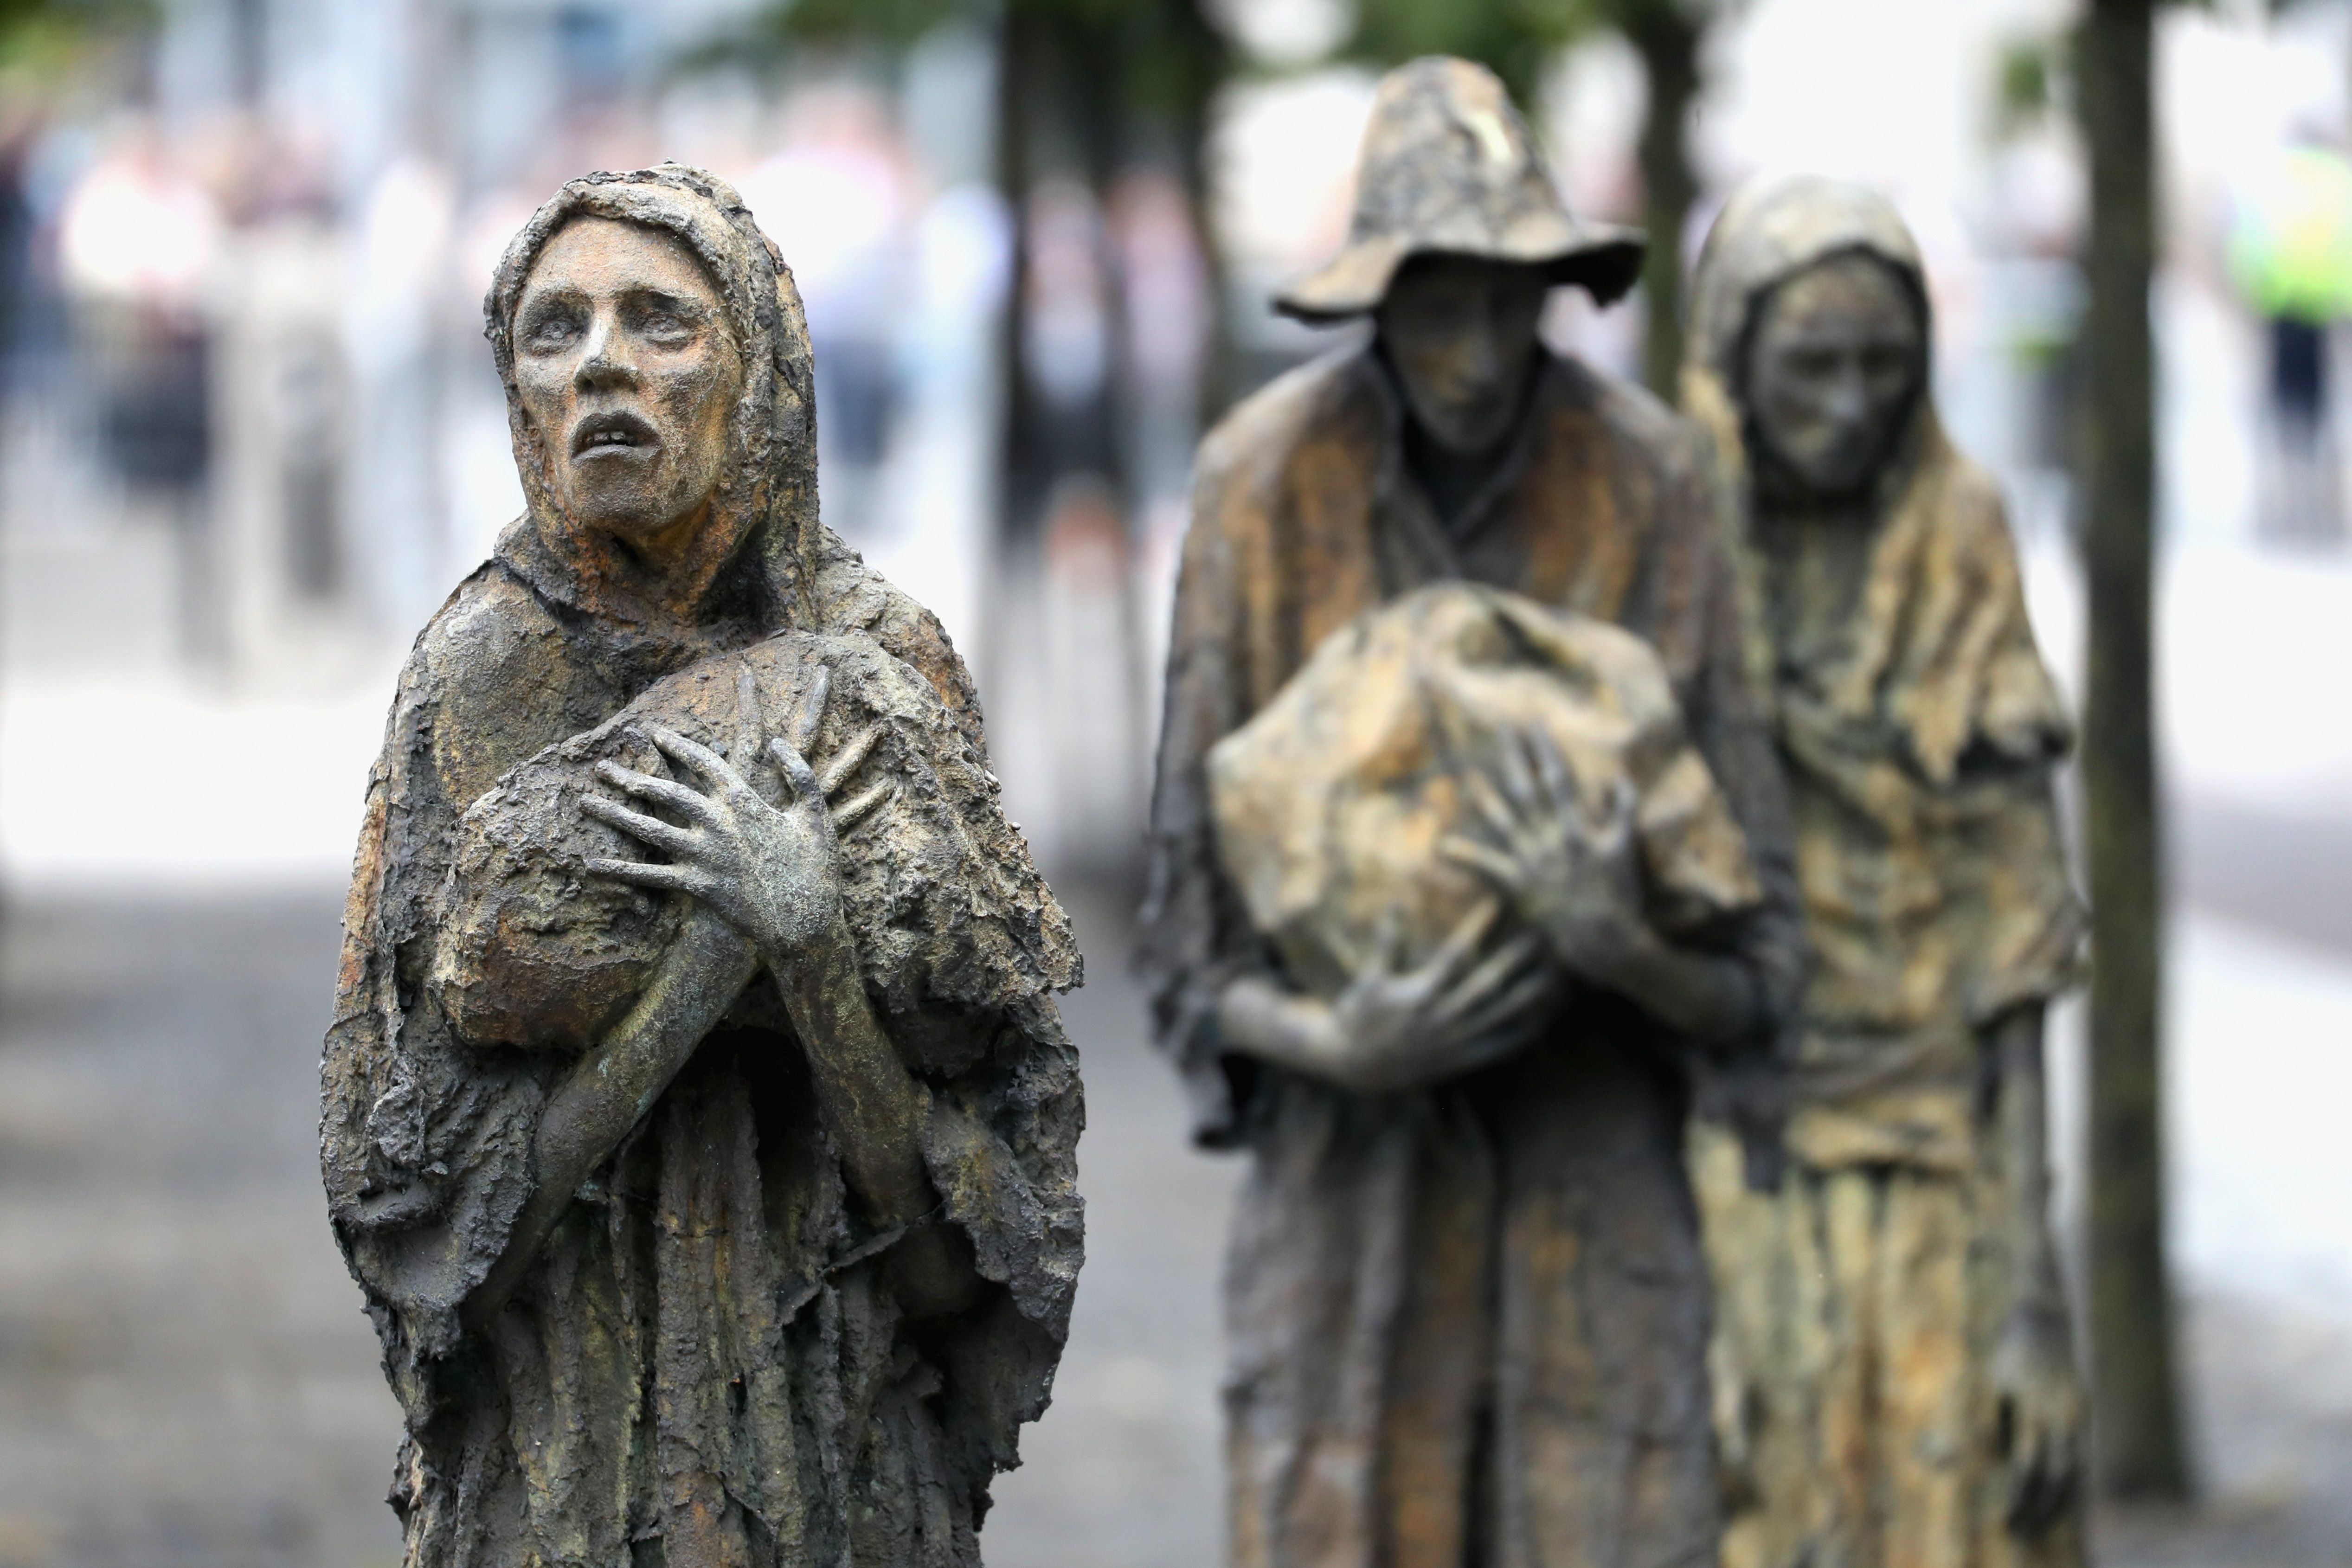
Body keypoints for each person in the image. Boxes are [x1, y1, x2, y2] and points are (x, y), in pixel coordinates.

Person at [321, 166, 1082, 1568]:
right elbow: (440, 1246)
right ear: (513, 390)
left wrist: (816, 962)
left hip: (840, 1445)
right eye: (554, 330)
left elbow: (948, 1255)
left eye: (660, 319)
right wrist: (698, 975)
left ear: (764, 371)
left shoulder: (882, 665)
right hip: (568, 1458)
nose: (603, 359)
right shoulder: (478, 678)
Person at [1141, 58, 1802, 1568]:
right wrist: (1340, 1041)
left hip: (1597, 1194)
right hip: (1346, 1198)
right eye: (1441, 299)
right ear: (1376, 299)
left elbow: (1764, 964)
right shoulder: (1262, 486)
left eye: (1516, 297)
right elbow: (1186, 946)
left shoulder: (1650, 483)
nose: (1483, 347)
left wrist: (1618, 940)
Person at [1680, 176, 2087, 1568]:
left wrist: (2039, 1301)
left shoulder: (1960, 533)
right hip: (1740, 1160)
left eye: (1882, 363)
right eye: (1812, 364)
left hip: (1945, 1159)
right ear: (1734, 360)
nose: (1851, 402)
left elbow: (2018, 937)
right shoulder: (1675, 544)